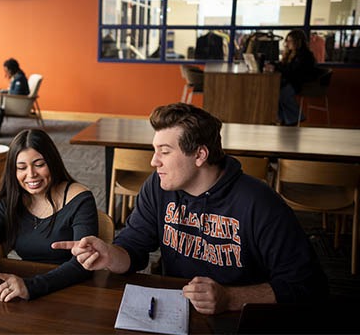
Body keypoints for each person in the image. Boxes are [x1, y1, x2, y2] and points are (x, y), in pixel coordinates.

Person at [53, 103, 329, 315]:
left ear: (199, 155)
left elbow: (308, 285)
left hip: (239, 317)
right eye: (154, 150)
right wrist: (110, 254)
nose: (153, 162)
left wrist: (231, 298)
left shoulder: (259, 203)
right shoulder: (158, 187)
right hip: (174, 312)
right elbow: (134, 249)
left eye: (165, 151)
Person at [0, 128, 98, 302]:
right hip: (26, 288)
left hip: (73, 290)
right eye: (21, 167)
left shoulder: (80, 199)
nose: (31, 175)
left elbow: (83, 265)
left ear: (52, 162)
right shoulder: (10, 202)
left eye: (39, 164)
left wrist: (31, 286)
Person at [264, 30, 320, 126]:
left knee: (281, 94)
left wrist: (276, 67)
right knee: (275, 92)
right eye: (287, 41)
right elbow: (285, 67)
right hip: (292, 81)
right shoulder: (290, 53)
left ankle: (294, 118)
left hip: (301, 83)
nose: (287, 43)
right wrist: (274, 65)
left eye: (290, 41)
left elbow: (293, 72)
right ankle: (283, 119)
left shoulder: (304, 55)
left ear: (298, 42)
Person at [0, 57, 30, 137]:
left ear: (11, 70)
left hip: (16, 105)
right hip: (14, 102)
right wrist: (3, 91)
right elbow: (14, 91)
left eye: (6, 71)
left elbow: (17, 94)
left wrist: (2, 95)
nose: (6, 73)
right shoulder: (17, 77)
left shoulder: (19, 79)